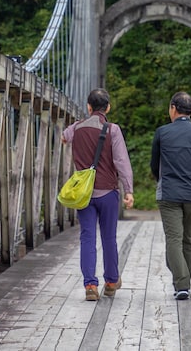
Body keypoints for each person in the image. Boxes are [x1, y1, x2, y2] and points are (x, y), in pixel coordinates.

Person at [62, 88, 135, 301]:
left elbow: (63, 138)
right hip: (108, 193)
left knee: (87, 237)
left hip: (84, 195)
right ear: (108, 107)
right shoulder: (112, 130)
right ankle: (111, 281)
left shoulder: (76, 128)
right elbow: (121, 161)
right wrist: (128, 190)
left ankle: (90, 286)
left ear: (88, 106)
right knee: (109, 237)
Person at [150, 91, 191, 301]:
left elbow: (154, 165)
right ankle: (183, 283)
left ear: (172, 108)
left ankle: (182, 283)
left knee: (173, 239)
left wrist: (160, 180)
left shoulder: (162, 132)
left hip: (169, 194)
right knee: (188, 240)